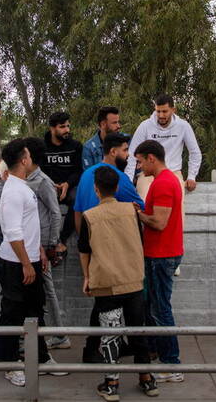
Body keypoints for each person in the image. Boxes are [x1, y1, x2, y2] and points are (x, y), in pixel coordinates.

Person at [78, 166, 159, 400]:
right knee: (137, 330)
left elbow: (84, 250)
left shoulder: (89, 217)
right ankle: (147, 379)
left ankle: (111, 383)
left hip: (107, 283)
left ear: (96, 189)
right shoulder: (132, 211)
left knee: (110, 334)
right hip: (133, 280)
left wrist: (87, 277)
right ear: (117, 188)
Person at [0, 139, 65, 387]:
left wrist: (40, 250)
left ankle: (41, 358)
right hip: (15, 263)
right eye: (29, 155)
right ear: (23, 160)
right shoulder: (11, 190)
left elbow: (29, 227)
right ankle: (10, 364)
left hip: (30, 258)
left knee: (35, 312)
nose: (32, 158)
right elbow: (12, 232)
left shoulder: (22, 187)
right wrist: (25, 264)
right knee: (13, 313)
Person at [74, 132, 145, 362]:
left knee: (103, 304)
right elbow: (139, 208)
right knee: (121, 306)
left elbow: (78, 212)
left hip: (93, 248)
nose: (128, 155)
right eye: (125, 150)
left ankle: (93, 349)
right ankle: (133, 356)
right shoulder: (118, 178)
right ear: (113, 151)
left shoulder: (86, 175)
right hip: (115, 252)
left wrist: (84, 239)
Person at [134, 140, 185, 383]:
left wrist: (138, 214)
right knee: (155, 307)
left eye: (141, 161)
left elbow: (160, 222)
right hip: (160, 253)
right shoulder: (163, 181)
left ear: (151, 158)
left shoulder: (164, 183)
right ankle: (162, 355)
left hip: (162, 255)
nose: (139, 166)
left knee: (161, 309)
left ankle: (171, 363)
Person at [23, 137, 70, 351]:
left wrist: (52, 244)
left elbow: (55, 213)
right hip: (30, 244)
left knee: (47, 289)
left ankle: (59, 335)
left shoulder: (42, 181)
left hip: (41, 246)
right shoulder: (26, 178)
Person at [125, 94, 201, 202]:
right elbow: (132, 154)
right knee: (145, 203)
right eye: (158, 111)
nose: (161, 115)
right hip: (148, 174)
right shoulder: (145, 126)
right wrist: (127, 180)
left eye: (165, 111)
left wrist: (191, 176)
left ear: (173, 110)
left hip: (173, 172)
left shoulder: (183, 126)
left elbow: (195, 152)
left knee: (177, 204)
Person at [41, 111, 83, 264]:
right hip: (48, 185)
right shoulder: (41, 146)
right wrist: (51, 185)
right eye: (62, 127)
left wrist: (68, 184)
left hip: (69, 186)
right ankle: (44, 244)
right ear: (52, 128)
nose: (67, 130)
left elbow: (79, 170)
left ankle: (62, 242)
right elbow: (38, 170)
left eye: (68, 126)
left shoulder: (76, 146)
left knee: (78, 198)